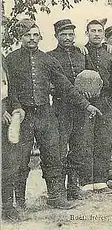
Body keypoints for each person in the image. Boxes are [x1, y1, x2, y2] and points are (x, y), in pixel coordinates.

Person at [6, 19, 101, 210]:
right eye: (27, 35)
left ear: (40, 37)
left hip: (45, 115)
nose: (32, 39)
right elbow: (9, 90)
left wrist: (86, 105)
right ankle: (20, 202)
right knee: (20, 159)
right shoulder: (11, 59)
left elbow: (65, 86)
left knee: (53, 156)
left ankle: (56, 197)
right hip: (23, 116)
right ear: (20, 37)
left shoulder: (47, 60)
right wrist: (15, 109)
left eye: (35, 35)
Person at [47, 19, 88, 201]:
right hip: (61, 108)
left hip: (80, 109)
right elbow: (47, 83)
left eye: (71, 34)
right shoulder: (49, 56)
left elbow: (91, 77)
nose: (67, 38)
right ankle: (59, 189)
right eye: (63, 34)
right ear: (56, 36)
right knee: (60, 148)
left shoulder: (81, 54)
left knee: (78, 148)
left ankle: (73, 187)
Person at [81, 18, 112, 192]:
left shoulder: (109, 53)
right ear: (87, 33)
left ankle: (101, 181)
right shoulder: (80, 51)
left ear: (103, 34)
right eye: (93, 31)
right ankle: (87, 182)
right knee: (86, 140)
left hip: (105, 101)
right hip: (85, 102)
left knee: (104, 141)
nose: (96, 34)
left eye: (99, 31)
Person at [2, 52, 26, 221]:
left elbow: (10, 88)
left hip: (7, 117)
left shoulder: (1, 56)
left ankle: (8, 207)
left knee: (9, 163)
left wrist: (17, 107)